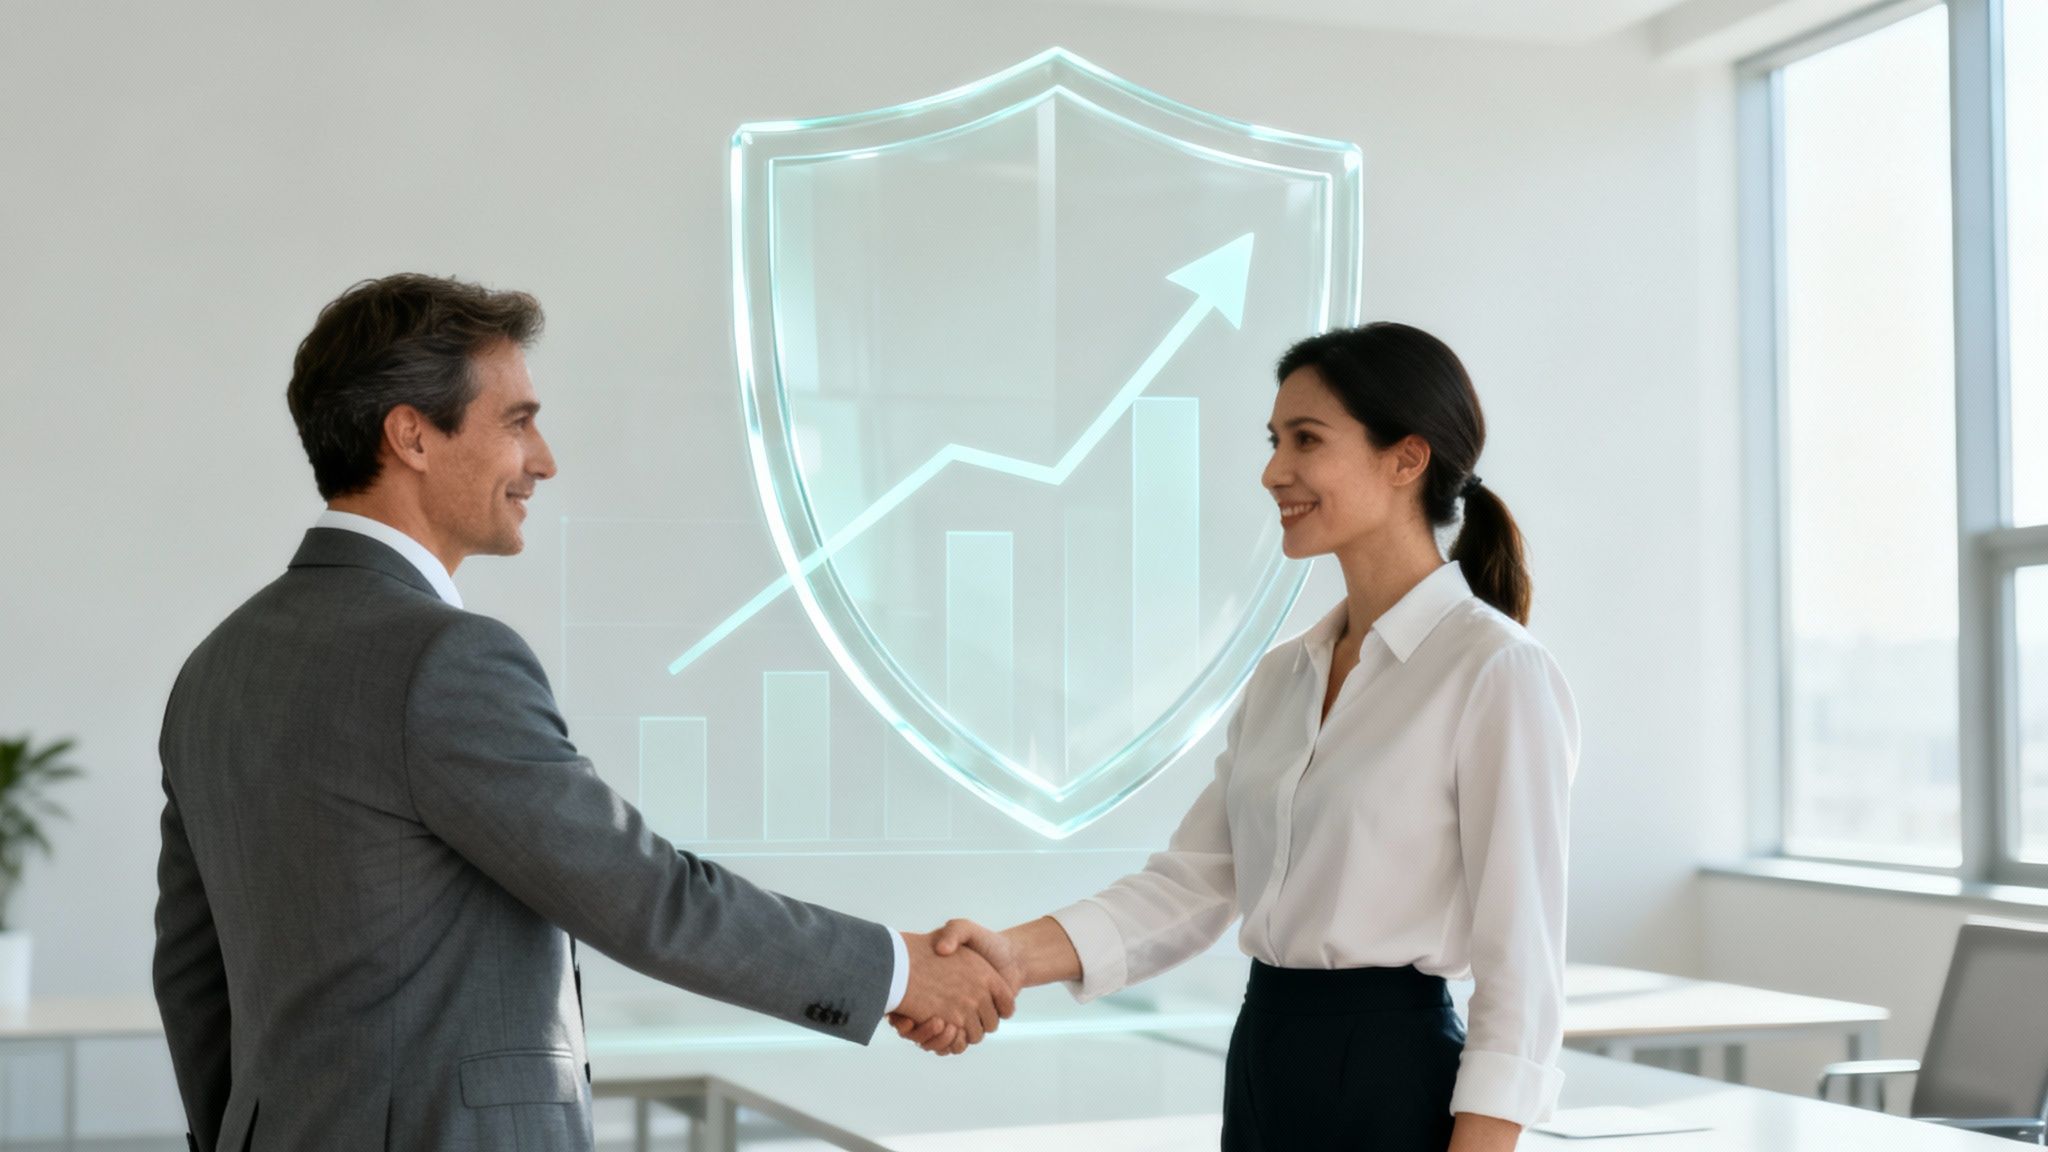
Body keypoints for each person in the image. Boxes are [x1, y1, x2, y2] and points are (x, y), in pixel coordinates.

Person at [152, 273, 1011, 1152]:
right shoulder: (444, 660)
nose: (544, 459)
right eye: (516, 422)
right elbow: (644, 898)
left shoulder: (215, 670)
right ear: (411, 434)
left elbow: (191, 977)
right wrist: (900, 973)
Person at [899, 323, 1581, 1151]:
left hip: (1393, 1082)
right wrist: (1006, 954)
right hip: (1265, 1064)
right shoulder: (1285, 675)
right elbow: (1192, 886)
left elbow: (1523, 970)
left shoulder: (1495, 672)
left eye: (1306, 440)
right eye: (1274, 440)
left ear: (1407, 459)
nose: (1273, 471)